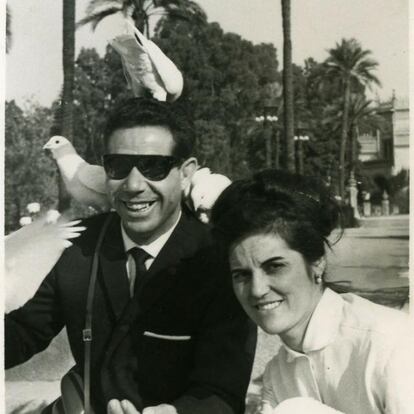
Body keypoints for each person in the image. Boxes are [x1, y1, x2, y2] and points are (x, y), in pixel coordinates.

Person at [5, 97, 256, 414]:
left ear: (185, 173)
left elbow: (222, 390)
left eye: (154, 166)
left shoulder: (220, 260)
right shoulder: (77, 245)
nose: (134, 185)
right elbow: (22, 332)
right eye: (119, 166)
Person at [210, 169, 414, 414]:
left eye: (275, 266)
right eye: (241, 274)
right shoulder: (277, 375)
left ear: (317, 262)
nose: (257, 289)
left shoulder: (388, 343)